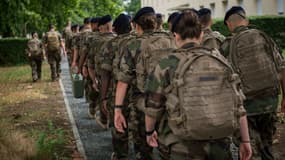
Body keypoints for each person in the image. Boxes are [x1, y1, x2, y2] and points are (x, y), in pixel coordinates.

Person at [144, 10, 252, 160]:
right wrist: (245, 140)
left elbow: (152, 107)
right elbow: (239, 105)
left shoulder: (166, 63)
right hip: (219, 145)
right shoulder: (220, 60)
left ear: (175, 36)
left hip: (180, 147)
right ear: (201, 35)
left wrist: (149, 132)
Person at [221, 6, 285, 160]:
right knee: (267, 147)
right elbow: (282, 69)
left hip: (246, 106)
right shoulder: (264, 37)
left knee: (249, 150)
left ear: (229, 24)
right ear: (246, 21)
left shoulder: (226, 45)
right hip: (269, 101)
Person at [114, 7, 175, 160]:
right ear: (155, 22)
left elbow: (123, 81)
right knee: (169, 147)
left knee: (143, 149)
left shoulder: (134, 45)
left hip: (143, 105)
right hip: (171, 103)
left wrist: (118, 110)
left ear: (136, 25)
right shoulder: (172, 40)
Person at [100, 13, 134, 160]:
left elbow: (105, 74)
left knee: (119, 126)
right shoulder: (138, 42)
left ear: (114, 29)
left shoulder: (111, 44)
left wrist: (103, 98)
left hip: (117, 92)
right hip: (139, 94)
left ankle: (121, 155)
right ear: (131, 26)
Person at [87, 15, 115, 125]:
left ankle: (104, 120)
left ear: (101, 27)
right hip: (116, 77)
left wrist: (93, 81)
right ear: (109, 25)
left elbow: (90, 64)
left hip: (101, 75)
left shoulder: (95, 41)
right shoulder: (118, 39)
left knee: (102, 96)